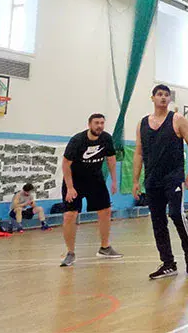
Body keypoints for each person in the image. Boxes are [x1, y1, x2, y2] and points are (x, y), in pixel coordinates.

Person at [133, 84, 188, 279]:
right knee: (157, 221)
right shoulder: (142, 123)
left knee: (176, 215)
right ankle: (168, 262)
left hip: (173, 177)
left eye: (166, 95)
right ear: (152, 98)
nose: (163, 98)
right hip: (152, 180)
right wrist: (135, 181)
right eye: (159, 94)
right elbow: (138, 153)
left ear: (169, 99)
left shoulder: (177, 119)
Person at [60, 114, 123, 267]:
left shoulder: (106, 138)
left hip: (95, 179)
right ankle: (70, 253)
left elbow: (111, 159)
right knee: (70, 215)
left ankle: (105, 247)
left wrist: (114, 181)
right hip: (75, 180)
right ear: (89, 124)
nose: (99, 126)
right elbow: (65, 164)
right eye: (96, 123)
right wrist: (69, 187)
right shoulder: (77, 140)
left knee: (105, 211)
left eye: (102, 123)